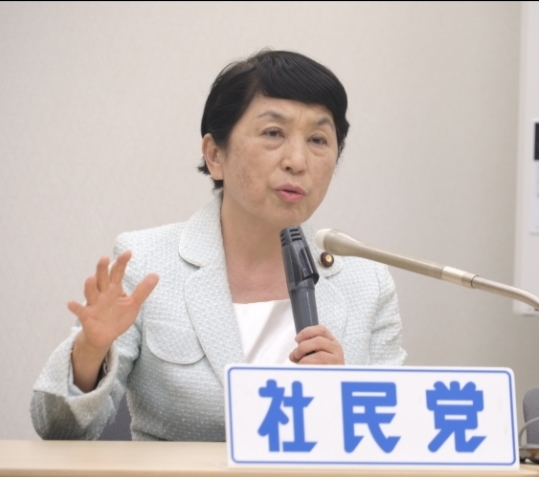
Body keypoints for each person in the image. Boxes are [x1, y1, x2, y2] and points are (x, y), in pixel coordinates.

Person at [30, 50, 406, 441]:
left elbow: (397, 439)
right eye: (273, 133)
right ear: (214, 155)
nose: (297, 160)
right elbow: (56, 428)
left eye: (318, 139)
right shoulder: (147, 264)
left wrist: (345, 397)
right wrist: (90, 352)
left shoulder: (367, 283)